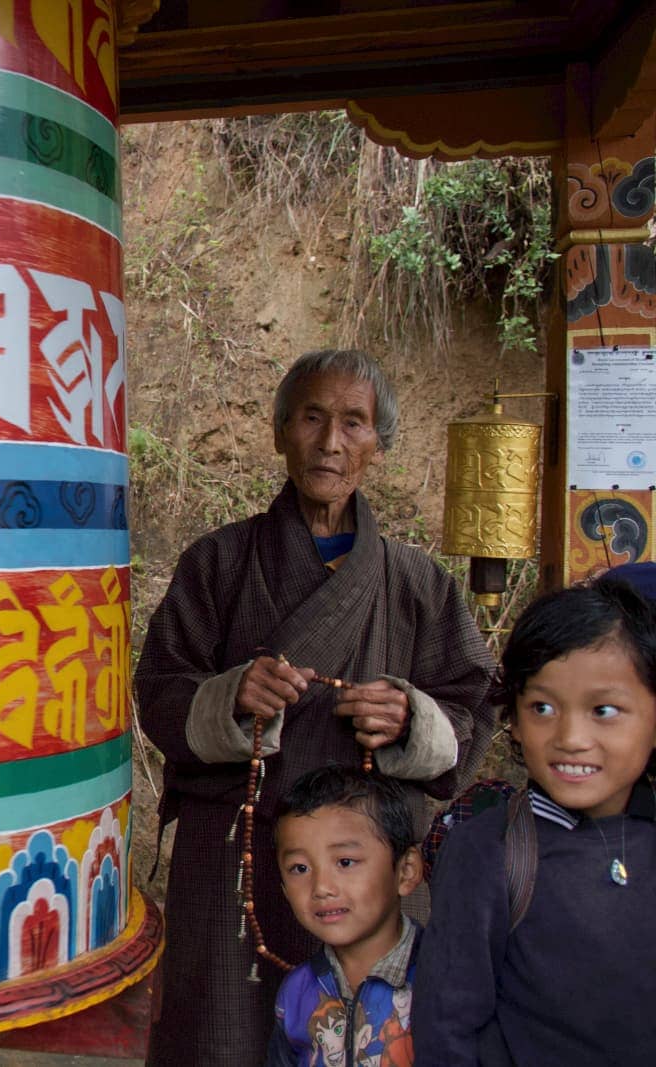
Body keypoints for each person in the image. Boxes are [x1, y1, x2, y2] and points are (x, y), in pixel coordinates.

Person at [134, 349, 495, 1066]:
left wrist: (411, 721)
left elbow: (472, 708)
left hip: (369, 863)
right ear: (279, 433)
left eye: (353, 422)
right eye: (311, 417)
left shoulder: (417, 583)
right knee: (221, 1039)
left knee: (372, 1038)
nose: (331, 441)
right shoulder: (220, 562)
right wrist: (229, 698)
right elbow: (160, 690)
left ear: (378, 444)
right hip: (236, 858)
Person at [413, 579, 656, 1063]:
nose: (570, 737)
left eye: (603, 710)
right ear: (516, 722)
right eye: (542, 708)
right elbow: (447, 1028)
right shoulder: (491, 853)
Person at [266, 765, 422, 1067]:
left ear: (406, 871)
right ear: (284, 888)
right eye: (300, 868)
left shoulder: (442, 978)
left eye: (346, 862)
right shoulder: (297, 991)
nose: (322, 887)